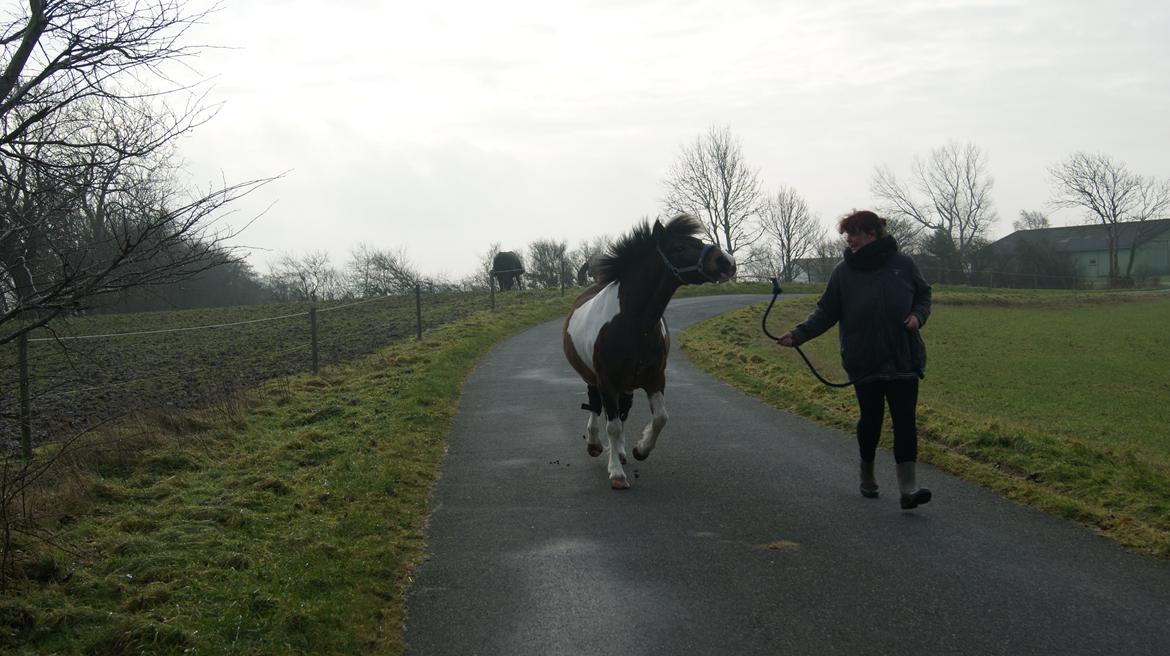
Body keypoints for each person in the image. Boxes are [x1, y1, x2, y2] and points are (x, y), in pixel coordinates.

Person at [776, 210, 933, 509]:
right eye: (847, 233)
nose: (849, 239)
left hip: (903, 358)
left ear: (872, 233)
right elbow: (826, 312)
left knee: (905, 423)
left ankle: (908, 488)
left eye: (854, 233)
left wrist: (918, 316)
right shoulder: (843, 272)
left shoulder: (903, 264)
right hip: (865, 361)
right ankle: (867, 474)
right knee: (871, 421)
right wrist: (798, 334)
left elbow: (924, 296)